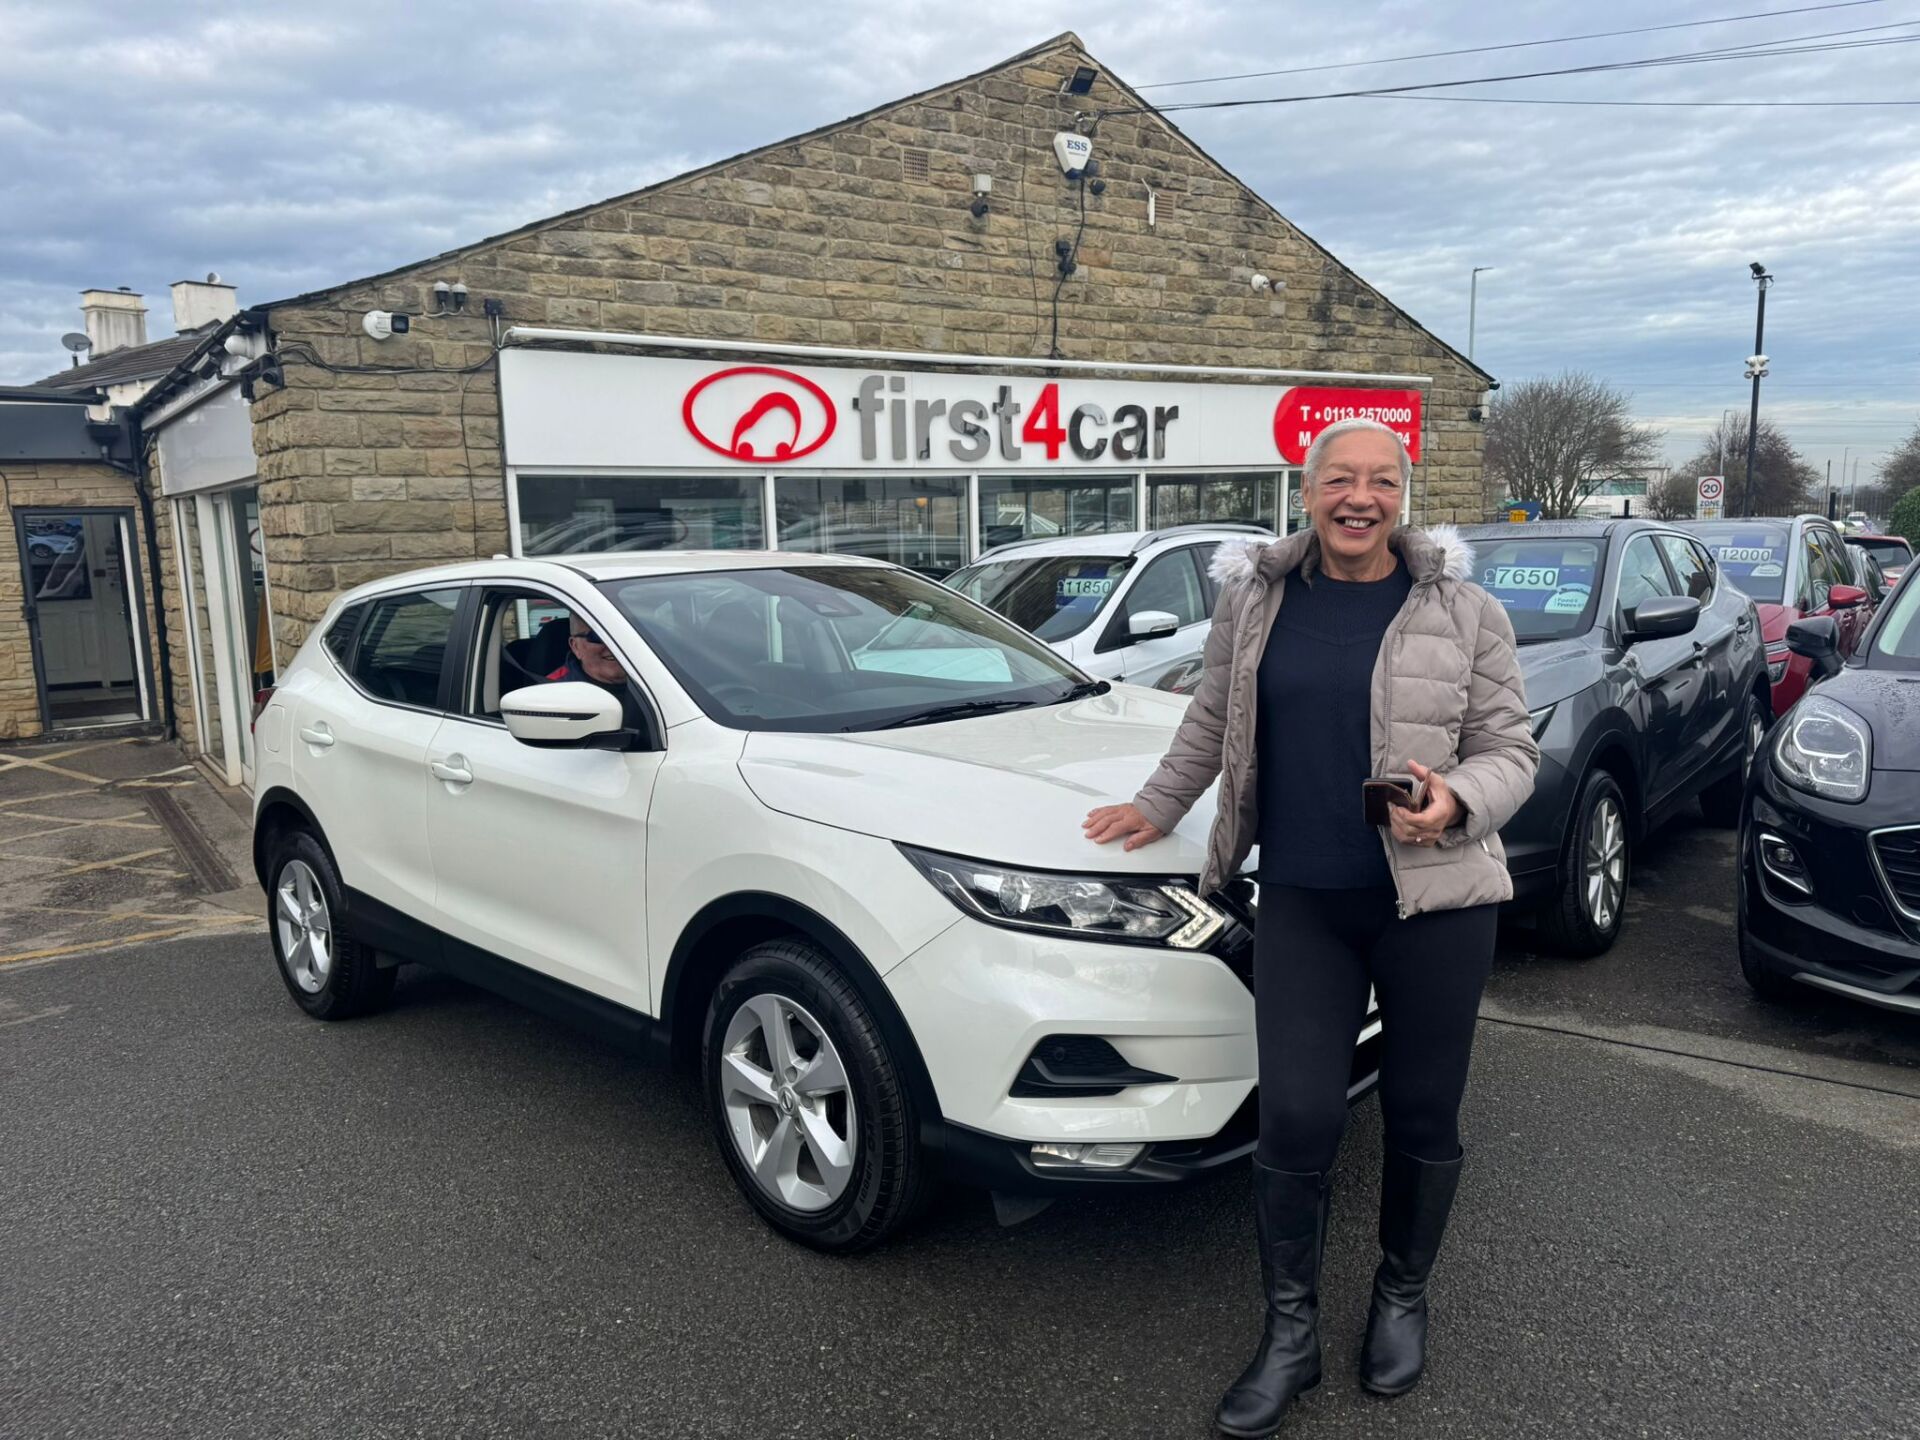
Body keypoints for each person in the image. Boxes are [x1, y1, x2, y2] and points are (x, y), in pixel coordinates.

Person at [1082, 418, 1538, 1437]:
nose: (1359, 498)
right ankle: (1290, 1334)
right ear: (1308, 490)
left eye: (1380, 481)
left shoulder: (1464, 610)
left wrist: (1456, 800)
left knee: (1423, 1114)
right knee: (1296, 1119)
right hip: (1301, 900)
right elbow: (1211, 717)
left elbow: (1512, 747)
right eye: (1340, 479)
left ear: (1403, 496)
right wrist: (1158, 805)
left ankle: (1400, 1295)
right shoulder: (1254, 597)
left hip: (1435, 904)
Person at [545, 615, 645, 731]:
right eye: (598, 636)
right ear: (575, 646)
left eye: (621, 635)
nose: (614, 646)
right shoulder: (551, 693)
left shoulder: (661, 677)